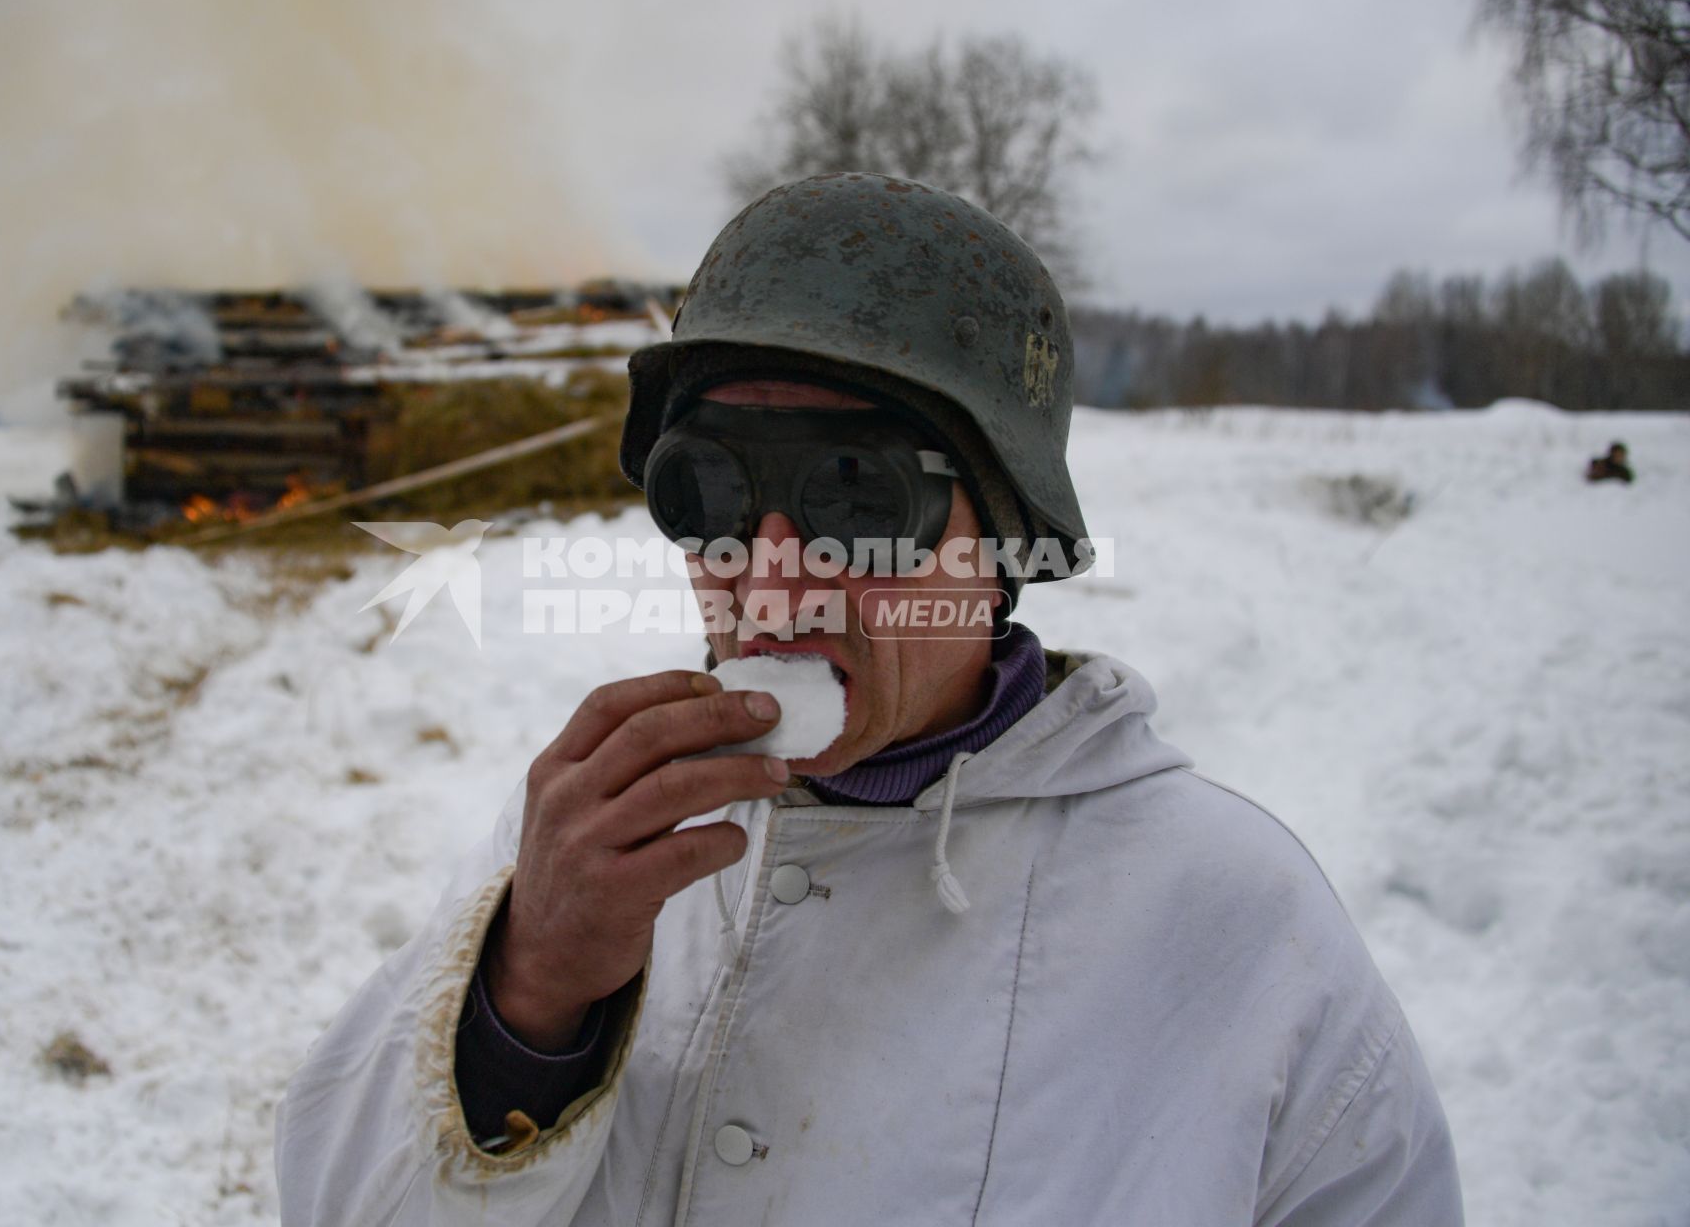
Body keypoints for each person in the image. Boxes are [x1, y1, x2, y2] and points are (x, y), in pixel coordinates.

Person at [275, 173, 1463, 1225]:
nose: (772, 580)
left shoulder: (1233, 930)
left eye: (857, 492)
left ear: (1000, 540)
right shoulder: (591, 845)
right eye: (713, 490)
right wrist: (526, 1002)